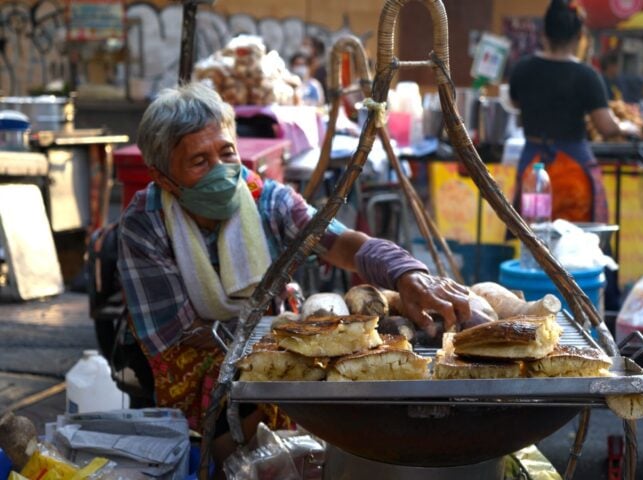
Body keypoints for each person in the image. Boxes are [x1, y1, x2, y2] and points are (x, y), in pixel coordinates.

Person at [117, 82, 472, 470]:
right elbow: (180, 336)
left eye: (226, 152)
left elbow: (340, 243)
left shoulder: (267, 200)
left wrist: (405, 272)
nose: (221, 171)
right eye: (199, 162)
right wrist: (283, 340)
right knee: (241, 387)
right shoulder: (145, 223)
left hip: (272, 339)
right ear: (165, 178)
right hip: (195, 361)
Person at [509, 0, 639, 223]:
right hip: (574, 172)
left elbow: (515, 104)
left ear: (544, 33)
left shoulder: (522, 69)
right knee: (576, 245)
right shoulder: (587, 76)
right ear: (579, 36)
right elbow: (606, 127)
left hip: (535, 170)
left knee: (534, 239)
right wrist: (628, 126)